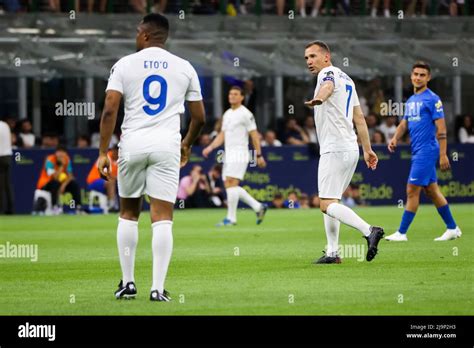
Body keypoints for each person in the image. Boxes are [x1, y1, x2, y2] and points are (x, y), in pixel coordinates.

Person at [97, 13, 205, 302]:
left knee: (128, 214)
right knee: (162, 218)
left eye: (136, 31)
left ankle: (128, 284)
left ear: (145, 35)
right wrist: (187, 144)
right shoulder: (184, 67)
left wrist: (102, 152)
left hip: (132, 145)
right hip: (167, 146)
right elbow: (200, 117)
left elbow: (109, 110)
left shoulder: (124, 65)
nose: (135, 36)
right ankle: (157, 288)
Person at [304, 40, 384, 264]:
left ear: (326, 57)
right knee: (332, 202)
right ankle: (332, 253)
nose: (309, 61)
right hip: (350, 148)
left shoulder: (327, 74)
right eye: (307, 58)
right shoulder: (347, 79)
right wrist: (367, 149)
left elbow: (327, 87)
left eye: (313, 56)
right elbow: (359, 117)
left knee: (325, 204)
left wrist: (320, 98)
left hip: (335, 148)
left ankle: (370, 231)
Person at [386, 61, 461, 242]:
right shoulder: (411, 100)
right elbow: (404, 123)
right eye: (415, 74)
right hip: (418, 151)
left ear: (428, 78)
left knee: (412, 190)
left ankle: (401, 232)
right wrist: (395, 137)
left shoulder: (432, 99)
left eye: (422, 75)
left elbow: (441, 129)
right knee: (432, 191)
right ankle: (452, 228)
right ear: (411, 76)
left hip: (427, 151)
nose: (418, 77)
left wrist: (443, 154)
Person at [202, 86, 268, 226]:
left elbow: (254, 135)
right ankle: (258, 207)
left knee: (231, 183)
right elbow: (222, 135)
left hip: (240, 152)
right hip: (229, 153)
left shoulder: (246, 114)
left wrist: (259, 154)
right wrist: (210, 147)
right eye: (230, 93)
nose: (231, 96)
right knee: (229, 184)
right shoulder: (227, 114)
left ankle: (231, 218)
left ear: (242, 97)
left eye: (235, 94)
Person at [34, 145, 82, 214]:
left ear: (66, 153)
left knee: (74, 185)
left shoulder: (67, 159)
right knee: (55, 183)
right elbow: (54, 177)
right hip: (45, 184)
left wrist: (64, 185)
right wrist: (62, 165)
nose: (61, 154)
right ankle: (55, 207)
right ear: (56, 153)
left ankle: (78, 207)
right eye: (59, 152)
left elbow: (70, 176)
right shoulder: (50, 160)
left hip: (60, 184)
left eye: (63, 152)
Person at [87, 146, 119, 210]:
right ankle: (111, 205)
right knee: (111, 181)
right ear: (113, 151)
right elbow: (107, 175)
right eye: (117, 153)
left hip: (104, 182)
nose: (118, 155)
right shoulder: (105, 158)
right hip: (94, 181)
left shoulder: (118, 160)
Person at [0, 119, 14, 214]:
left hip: (0, 156)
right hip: (7, 156)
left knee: (1, 185)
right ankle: (10, 209)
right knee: (6, 184)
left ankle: (1, 209)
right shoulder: (5, 125)